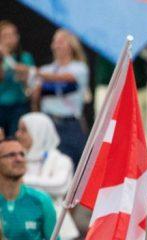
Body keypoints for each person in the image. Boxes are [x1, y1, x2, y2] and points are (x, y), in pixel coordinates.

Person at [15, 112, 77, 240]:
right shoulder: (15, 158)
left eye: (23, 130)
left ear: (39, 132)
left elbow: (59, 185)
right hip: (20, 230)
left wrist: (20, 182)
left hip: (56, 230)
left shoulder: (61, 160)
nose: (18, 134)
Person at [31, 30, 89, 168]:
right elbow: (35, 97)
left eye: (61, 41)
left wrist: (35, 73)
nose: (57, 45)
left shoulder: (79, 68)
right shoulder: (46, 69)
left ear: (71, 45)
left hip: (70, 124)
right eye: (55, 41)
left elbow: (67, 78)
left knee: (72, 165)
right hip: (48, 121)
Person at [0, 21, 34, 138]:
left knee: (14, 138)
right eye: (5, 36)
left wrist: (6, 56)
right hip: (1, 105)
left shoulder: (25, 57)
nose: (9, 39)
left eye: (12, 35)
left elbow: (24, 72)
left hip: (18, 107)